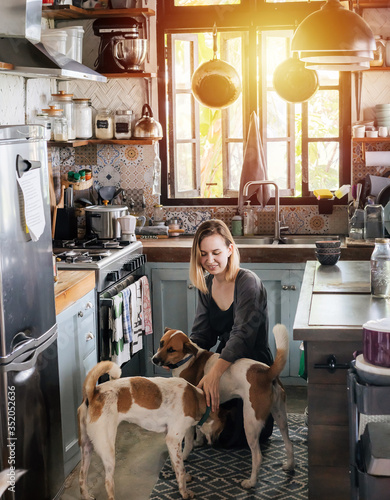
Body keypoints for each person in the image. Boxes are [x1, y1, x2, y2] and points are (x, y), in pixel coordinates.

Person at [189, 219, 274, 448]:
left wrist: (214, 375)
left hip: (254, 369)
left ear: (230, 249)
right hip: (223, 363)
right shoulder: (206, 285)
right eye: (203, 254)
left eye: (216, 252)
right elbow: (201, 336)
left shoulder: (248, 283)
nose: (209, 260)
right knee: (208, 432)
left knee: (233, 438)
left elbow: (242, 337)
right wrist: (182, 357)